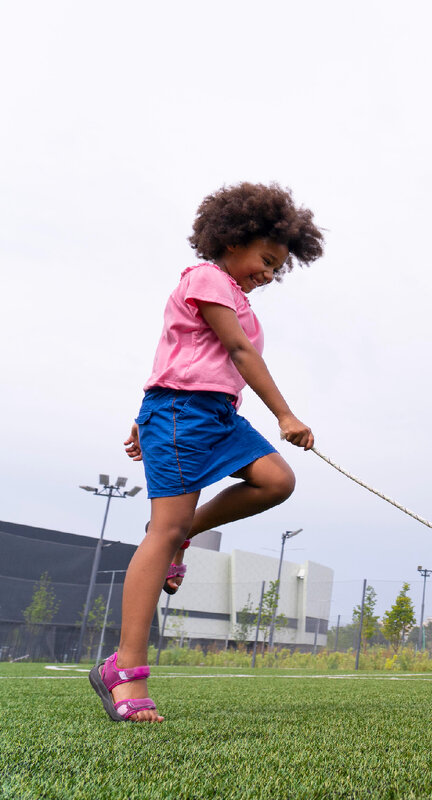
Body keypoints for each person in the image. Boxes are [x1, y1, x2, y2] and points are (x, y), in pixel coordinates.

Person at [89, 182, 323, 722]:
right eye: (265, 260)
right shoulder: (206, 277)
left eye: (276, 268)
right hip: (181, 414)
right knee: (161, 529)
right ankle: (124, 671)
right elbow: (236, 351)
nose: (268, 273)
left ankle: (183, 537)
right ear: (234, 238)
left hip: (214, 416)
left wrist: (144, 415)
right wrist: (285, 414)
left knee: (275, 480)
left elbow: (183, 351)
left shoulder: (237, 298)